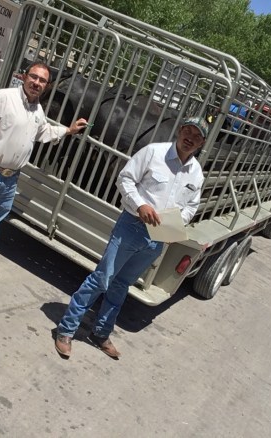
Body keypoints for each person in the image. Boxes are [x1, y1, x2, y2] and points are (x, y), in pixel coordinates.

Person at [54, 116, 208, 359]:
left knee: (121, 285)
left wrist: (176, 226)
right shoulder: (154, 152)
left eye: (197, 136)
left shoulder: (196, 173)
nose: (190, 138)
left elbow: (192, 206)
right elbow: (125, 178)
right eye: (188, 131)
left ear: (202, 143)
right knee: (102, 279)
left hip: (158, 238)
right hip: (132, 226)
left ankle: (101, 333)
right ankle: (66, 329)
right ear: (180, 131)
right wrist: (140, 205)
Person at [0, 60, 88, 280]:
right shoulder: (3, 98)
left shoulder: (37, 110)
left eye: (42, 80)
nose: (37, 83)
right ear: (24, 77)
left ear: (47, 86)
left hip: (10, 179)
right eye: (34, 77)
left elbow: (43, 132)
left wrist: (68, 130)